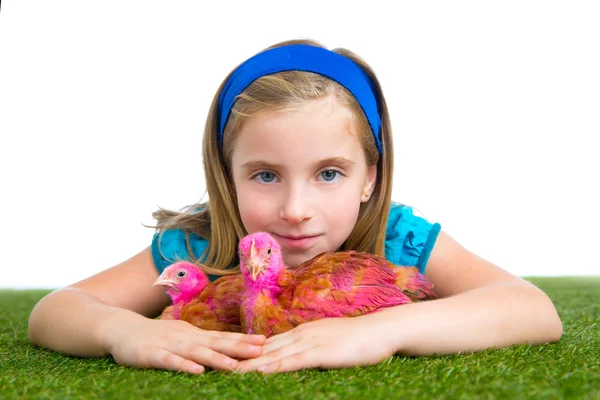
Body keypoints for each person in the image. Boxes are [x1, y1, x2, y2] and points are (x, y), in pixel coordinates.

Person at [28, 39, 562, 375]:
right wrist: (126, 332)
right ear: (226, 174)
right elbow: (55, 310)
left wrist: (380, 331)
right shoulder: (198, 243)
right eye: (265, 175)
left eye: (329, 173)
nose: (296, 209)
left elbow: (531, 309)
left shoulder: (400, 238)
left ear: (369, 178)